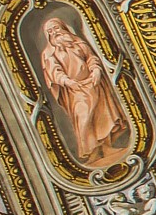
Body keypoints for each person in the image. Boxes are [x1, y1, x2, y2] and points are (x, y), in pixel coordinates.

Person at [37, 13, 130, 168]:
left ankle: (107, 147)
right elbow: (54, 72)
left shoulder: (78, 43)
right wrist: (68, 82)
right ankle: (92, 152)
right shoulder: (49, 53)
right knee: (84, 118)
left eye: (56, 28)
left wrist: (96, 70)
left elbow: (91, 58)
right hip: (75, 90)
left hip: (93, 84)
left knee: (101, 115)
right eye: (50, 31)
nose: (55, 33)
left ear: (63, 27)